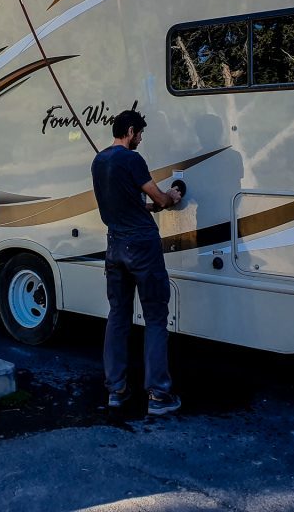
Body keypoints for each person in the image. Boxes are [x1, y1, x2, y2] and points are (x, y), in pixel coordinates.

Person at [91, 109, 182, 415]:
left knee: (118, 315)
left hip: (115, 245)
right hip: (142, 245)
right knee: (155, 317)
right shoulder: (132, 159)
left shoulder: (99, 161)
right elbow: (159, 197)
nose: (141, 139)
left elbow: (122, 200)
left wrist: (146, 206)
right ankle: (158, 394)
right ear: (129, 131)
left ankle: (116, 390)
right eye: (140, 134)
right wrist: (172, 194)